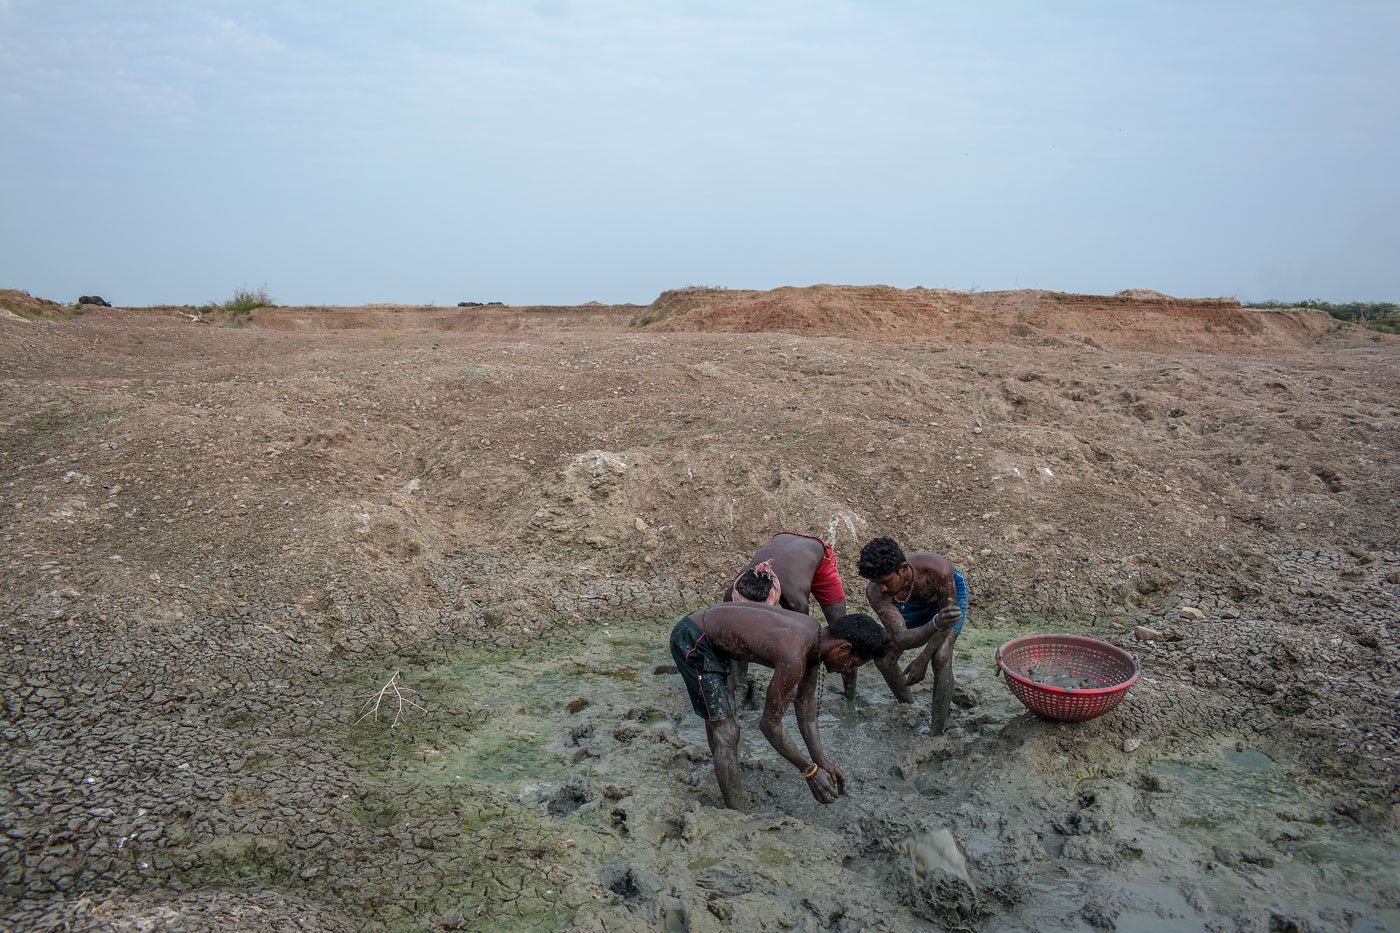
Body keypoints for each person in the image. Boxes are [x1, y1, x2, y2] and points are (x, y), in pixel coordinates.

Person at [669, 602, 890, 811]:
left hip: (712, 637)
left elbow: (805, 705)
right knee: (726, 731)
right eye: (854, 663)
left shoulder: (816, 636)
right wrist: (809, 770)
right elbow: (769, 725)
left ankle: (726, 778)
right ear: (843, 649)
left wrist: (820, 760)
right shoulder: (794, 656)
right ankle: (736, 816)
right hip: (694, 639)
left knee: (720, 723)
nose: (849, 670)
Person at [724, 532, 859, 697]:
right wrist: (732, 689)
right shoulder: (733, 592)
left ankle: (850, 694)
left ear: (775, 597)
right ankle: (741, 685)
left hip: (818, 553)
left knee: (843, 631)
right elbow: (729, 647)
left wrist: (803, 695)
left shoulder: (795, 601)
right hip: (779, 542)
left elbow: (808, 647)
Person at [857, 537, 968, 735]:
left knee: (941, 656)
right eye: (876, 583)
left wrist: (923, 658)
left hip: (945, 596)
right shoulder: (876, 592)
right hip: (909, 605)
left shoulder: (937, 571)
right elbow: (902, 638)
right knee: (883, 657)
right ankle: (909, 706)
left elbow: (947, 619)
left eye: (885, 581)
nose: (882, 588)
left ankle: (936, 732)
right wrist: (934, 624)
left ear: (902, 569)